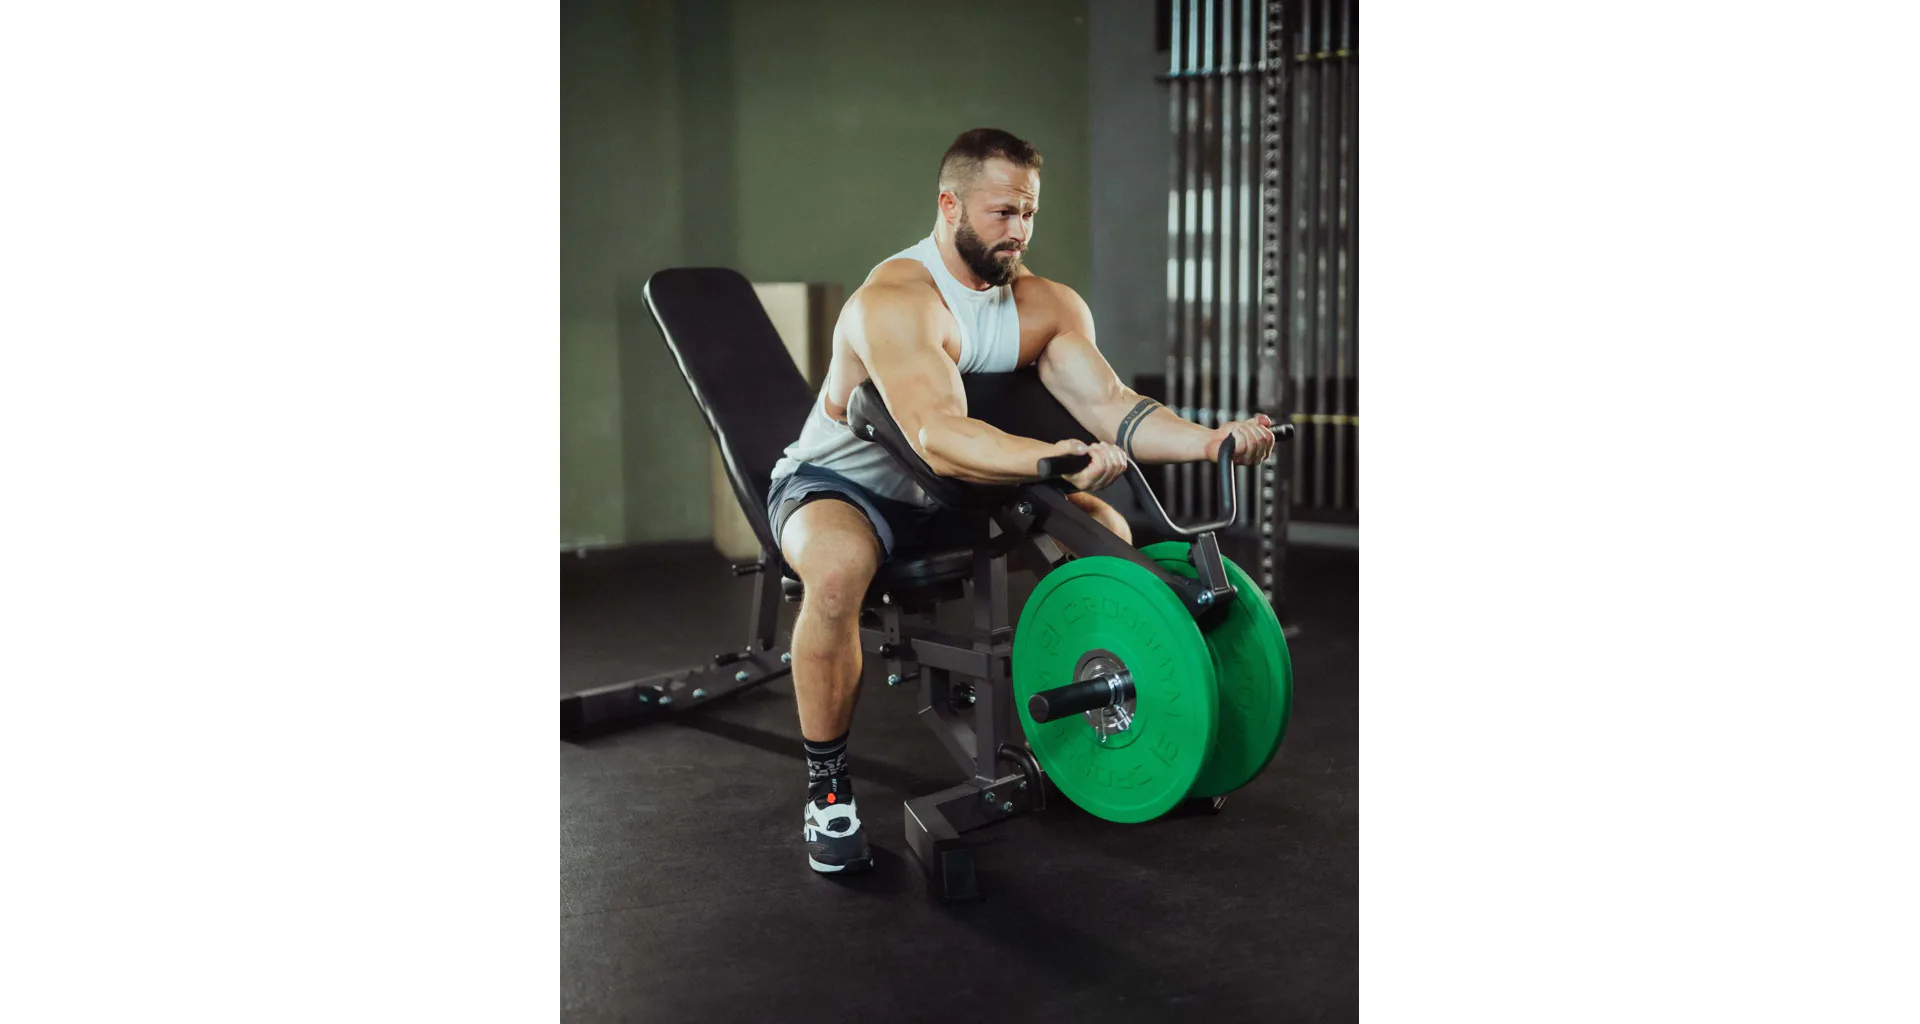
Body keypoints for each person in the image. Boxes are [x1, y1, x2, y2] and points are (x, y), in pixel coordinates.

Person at [766, 128, 1277, 874]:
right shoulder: (895, 301)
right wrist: (1050, 458)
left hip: (962, 489)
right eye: (1002, 212)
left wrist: (1211, 441)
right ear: (950, 205)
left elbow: (1114, 407)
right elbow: (937, 434)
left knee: (1105, 534)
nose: (1020, 230)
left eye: (1029, 212)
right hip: (843, 486)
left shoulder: (1046, 306)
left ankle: (1123, 714)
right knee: (839, 571)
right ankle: (827, 788)